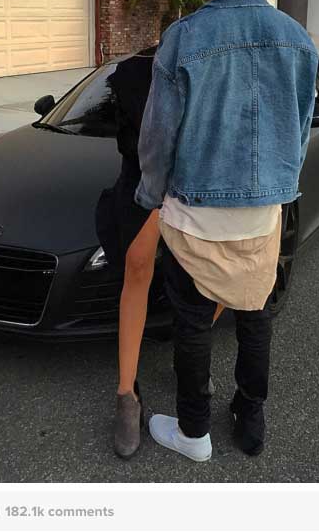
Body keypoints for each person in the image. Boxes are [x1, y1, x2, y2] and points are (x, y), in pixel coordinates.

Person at [134, 0, 318, 461]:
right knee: (255, 316)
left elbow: (157, 137)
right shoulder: (296, 38)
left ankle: (195, 433)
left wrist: (150, 196)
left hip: (195, 216)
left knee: (193, 326)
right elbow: (300, 129)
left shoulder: (183, 39)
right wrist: (281, 186)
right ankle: (250, 419)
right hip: (263, 214)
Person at [96, 50, 224, 460]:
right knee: (137, 271)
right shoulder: (134, 72)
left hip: (198, 187)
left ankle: (187, 356)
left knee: (215, 277)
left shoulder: (213, 63)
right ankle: (126, 395)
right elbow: (135, 143)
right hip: (143, 184)